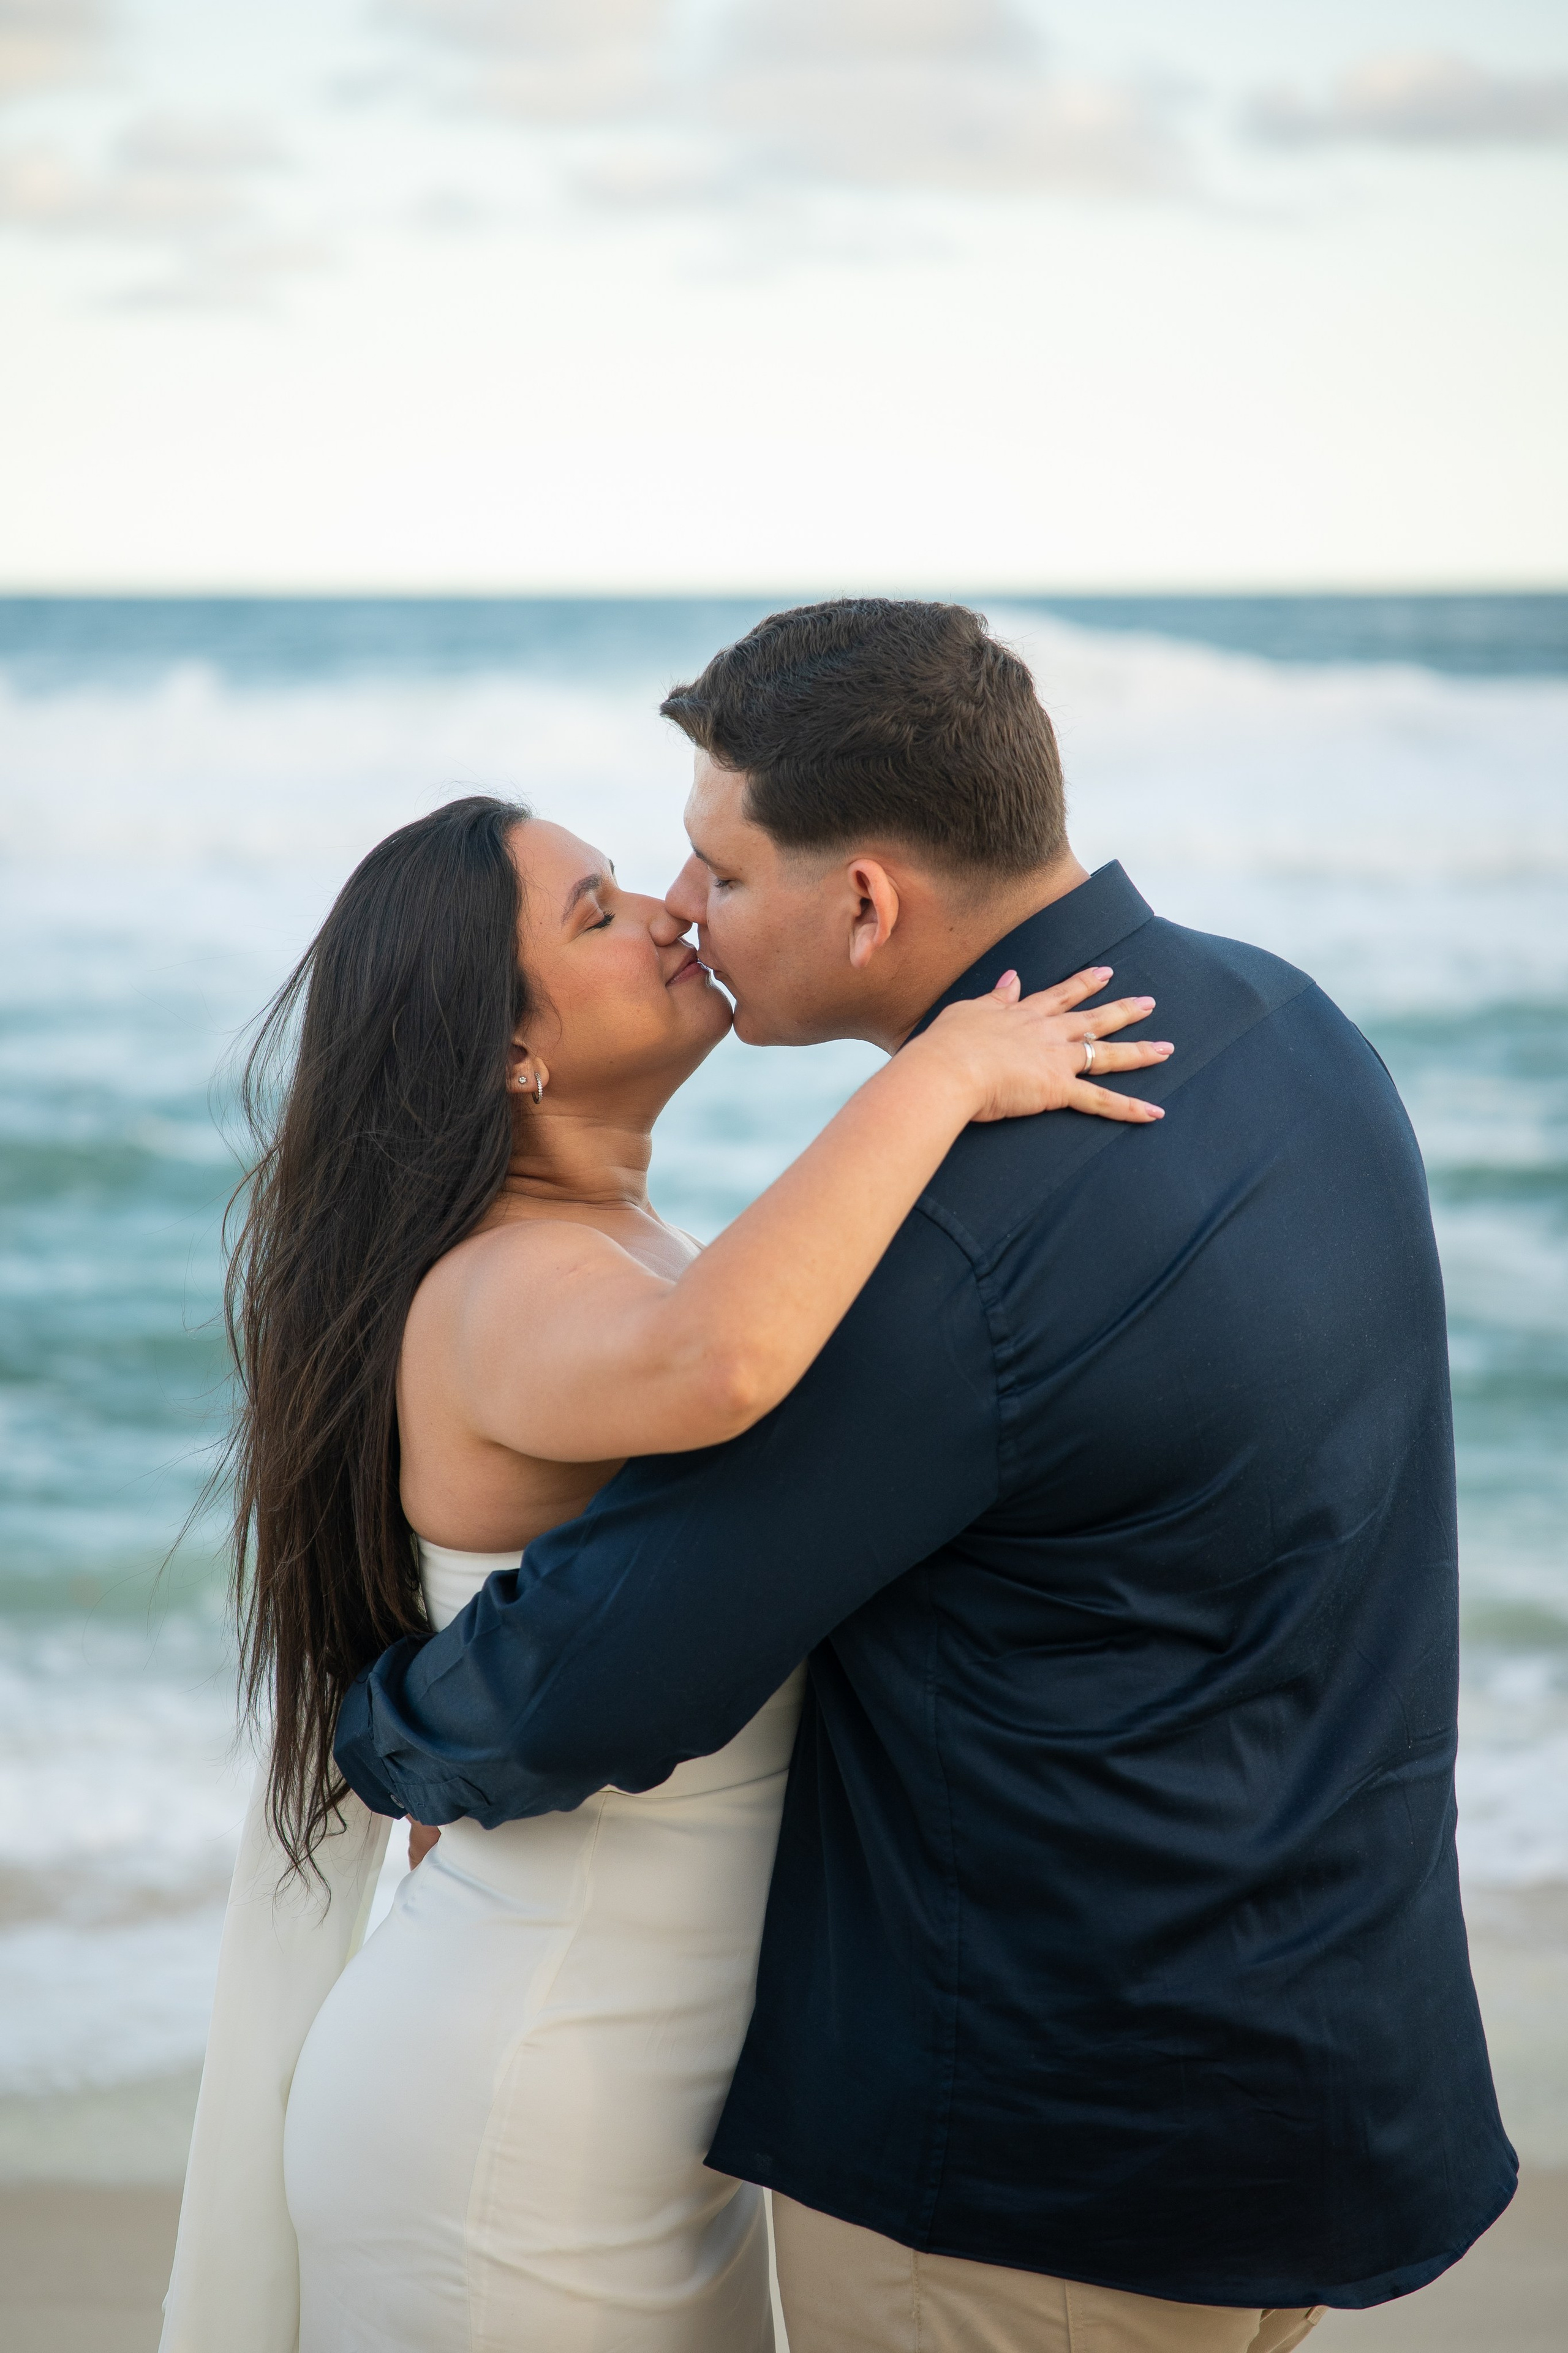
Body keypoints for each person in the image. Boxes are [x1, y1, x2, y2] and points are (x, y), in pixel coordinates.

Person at [339, 598, 1517, 2353]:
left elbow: (597, 1671)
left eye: (720, 872)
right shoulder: (1293, 1032)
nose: (688, 912)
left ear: (867, 898)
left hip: (1035, 2165)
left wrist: (390, 1736)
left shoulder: (955, 1254)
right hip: (1310, 2099)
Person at [158, 782, 1167, 2353]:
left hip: (637, 2103)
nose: (668, 912)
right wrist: (943, 1070)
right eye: (596, 911)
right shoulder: (501, 1286)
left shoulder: (621, 1250)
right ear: (508, 1052)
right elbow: (722, 1366)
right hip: (522, 2115)